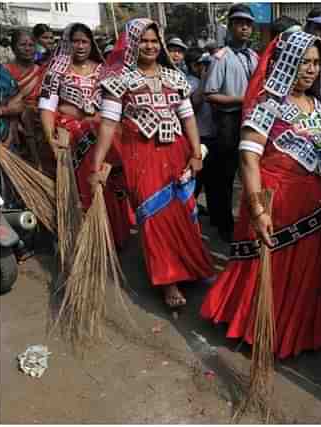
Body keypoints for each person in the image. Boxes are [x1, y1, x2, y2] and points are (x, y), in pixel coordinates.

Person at [200, 31, 321, 359]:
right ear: (285, 63)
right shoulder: (269, 104)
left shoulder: (316, 104)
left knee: (309, 271)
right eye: (303, 61)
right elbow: (249, 157)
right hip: (279, 202)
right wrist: (257, 208)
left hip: (315, 205)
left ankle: (305, 328)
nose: (310, 69)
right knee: (273, 272)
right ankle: (264, 327)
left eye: (316, 63)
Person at [89, 18, 216, 308]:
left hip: (177, 153)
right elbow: (108, 125)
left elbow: (187, 118)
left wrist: (196, 154)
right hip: (141, 156)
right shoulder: (119, 80)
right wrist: (96, 166)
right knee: (153, 216)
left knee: (184, 213)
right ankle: (168, 280)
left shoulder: (174, 77)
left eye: (153, 40)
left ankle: (193, 267)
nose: (149, 45)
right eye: (143, 40)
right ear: (132, 43)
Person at [38, 23, 132, 250]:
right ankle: (84, 237)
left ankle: (112, 233)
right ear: (67, 43)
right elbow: (47, 107)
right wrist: (51, 138)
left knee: (109, 177)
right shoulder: (56, 71)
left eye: (84, 41)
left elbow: (118, 104)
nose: (80, 46)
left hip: (103, 130)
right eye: (75, 41)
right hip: (70, 134)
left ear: (91, 44)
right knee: (79, 184)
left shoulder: (104, 70)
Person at [204, 4, 258, 242]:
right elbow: (210, 94)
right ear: (232, 26)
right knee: (224, 176)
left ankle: (247, 222)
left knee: (249, 173)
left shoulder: (255, 57)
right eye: (239, 23)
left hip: (252, 120)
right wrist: (241, 99)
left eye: (248, 24)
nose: (244, 28)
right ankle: (224, 224)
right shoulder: (221, 56)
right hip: (228, 119)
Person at [4, 30, 46, 169]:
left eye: (31, 45)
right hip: (11, 123)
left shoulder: (41, 71)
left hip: (40, 123)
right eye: (23, 44)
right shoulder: (3, 71)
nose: (28, 48)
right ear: (13, 47)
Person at [185, 48, 216, 214]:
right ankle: (188, 213)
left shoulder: (210, 80)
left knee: (211, 180)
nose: (205, 67)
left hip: (212, 135)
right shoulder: (188, 81)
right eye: (201, 64)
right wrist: (204, 79)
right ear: (192, 65)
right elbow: (194, 104)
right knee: (195, 181)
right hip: (198, 139)